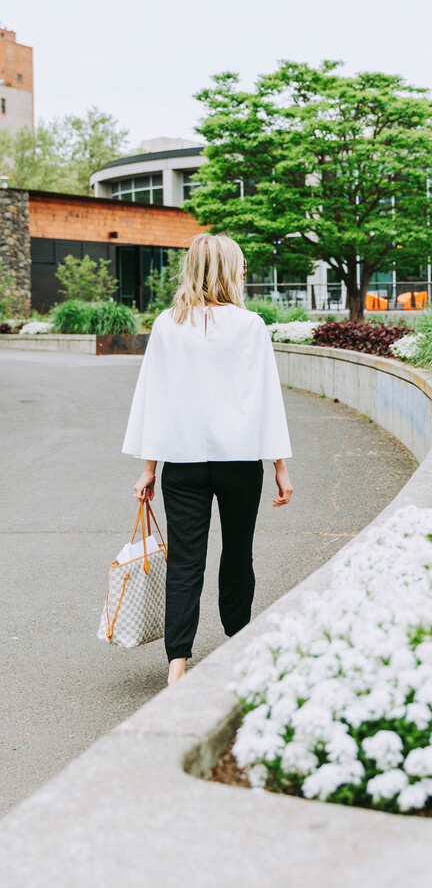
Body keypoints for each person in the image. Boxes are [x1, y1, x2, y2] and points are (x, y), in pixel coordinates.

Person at [122, 233, 293, 686]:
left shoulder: (166, 324)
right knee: (238, 553)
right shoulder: (250, 325)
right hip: (239, 461)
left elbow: (154, 399)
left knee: (184, 560)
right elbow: (266, 399)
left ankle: (177, 662)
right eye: (239, 266)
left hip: (182, 461)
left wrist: (148, 467)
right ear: (228, 271)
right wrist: (278, 465)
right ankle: (237, 644)